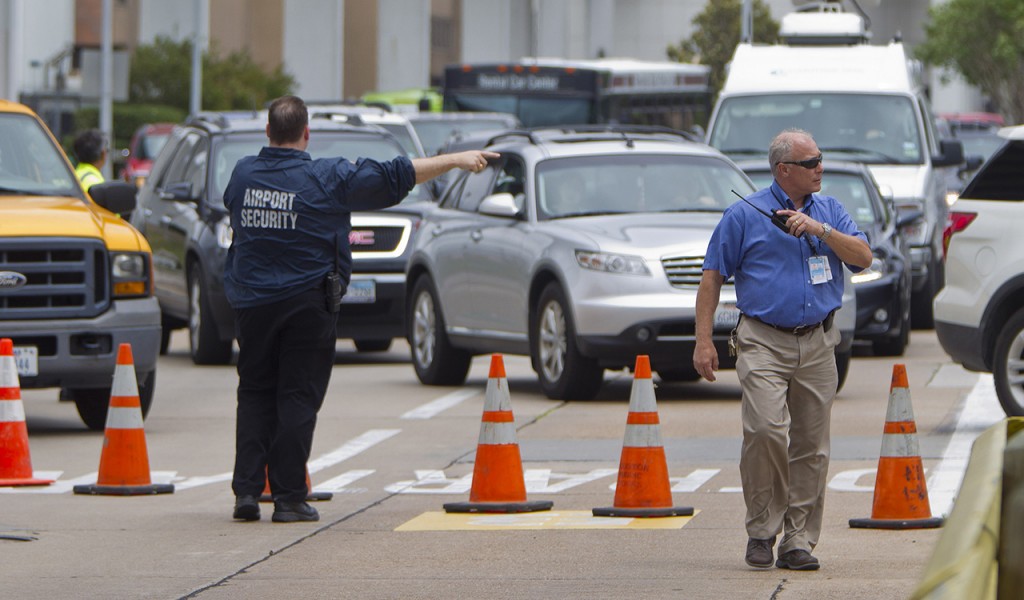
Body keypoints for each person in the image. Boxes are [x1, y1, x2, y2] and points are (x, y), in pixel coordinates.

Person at [225, 95, 498, 523]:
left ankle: (246, 493)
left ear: (267, 132)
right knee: (297, 395)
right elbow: (396, 175)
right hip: (306, 304)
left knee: (255, 391)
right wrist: (457, 160)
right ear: (306, 133)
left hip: (252, 304)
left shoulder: (243, 175)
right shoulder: (325, 177)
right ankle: (289, 498)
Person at [692, 129, 872, 571]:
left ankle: (798, 540)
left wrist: (820, 230)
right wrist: (702, 341)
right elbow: (712, 276)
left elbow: (863, 258)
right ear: (784, 170)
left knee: (812, 445)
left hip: (817, 340)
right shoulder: (742, 215)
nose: (820, 169)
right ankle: (760, 530)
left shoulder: (830, 210)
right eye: (811, 163)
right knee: (765, 431)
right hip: (762, 339)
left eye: (820, 159)